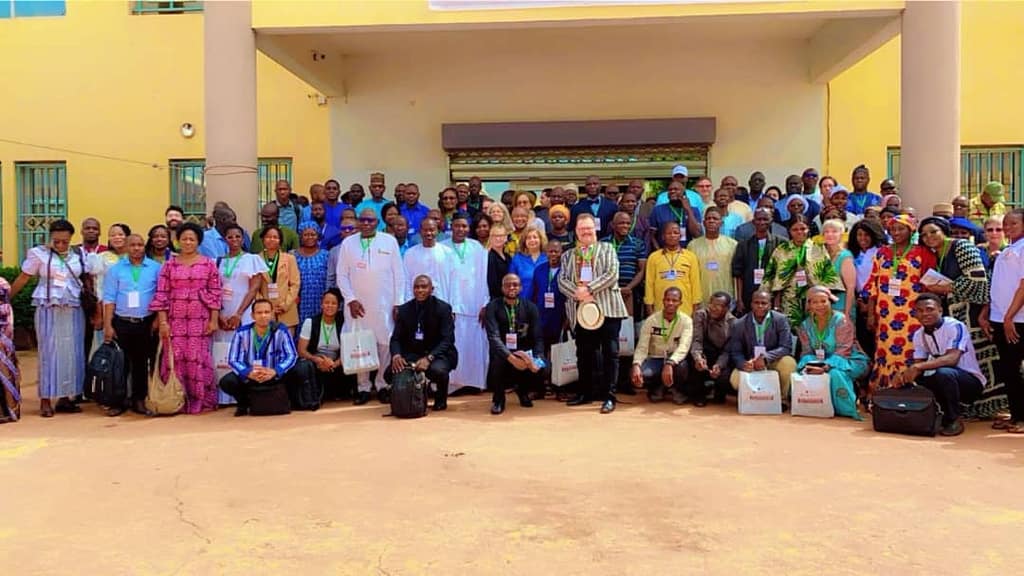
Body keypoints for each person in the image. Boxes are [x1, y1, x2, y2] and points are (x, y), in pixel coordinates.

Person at [10, 220, 93, 417]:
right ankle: (45, 399)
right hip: (48, 308)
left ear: (71, 238)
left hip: (73, 309)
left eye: (65, 241)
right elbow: (24, 277)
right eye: (57, 241)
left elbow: (88, 279)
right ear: (50, 237)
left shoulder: (79, 255)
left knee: (72, 353)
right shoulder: (39, 254)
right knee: (49, 353)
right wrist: (6, 298)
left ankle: (65, 397)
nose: (61, 245)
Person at [558, 213, 629, 414]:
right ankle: (585, 393)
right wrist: (578, 293)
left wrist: (590, 289)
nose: (586, 232)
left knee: (610, 354)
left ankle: (609, 396)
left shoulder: (607, 249)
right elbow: (562, 280)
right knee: (584, 354)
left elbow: (612, 274)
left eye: (589, 228)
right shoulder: (568, 255)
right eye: (582, 229)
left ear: (595, 228)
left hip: (607, 309)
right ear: (576, 232)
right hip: (581, 312)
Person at [149, 222, 222, 414]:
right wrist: (163, 322)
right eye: (184, 239)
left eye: (192, 239)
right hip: (175, 319)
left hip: (200, 319)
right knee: (175, 357)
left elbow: (215, 293)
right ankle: (175, 399)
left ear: (198, 242)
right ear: (178, 241)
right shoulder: (169, 265)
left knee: (197, 357)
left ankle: (201, 400)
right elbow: (162, 294)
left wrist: (214, 320)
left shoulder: (208, 264)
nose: (188, 242)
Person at [337, 208, 406, 405]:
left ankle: (383, 384)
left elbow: (399, 274)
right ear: (358, 222)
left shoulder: (389, 241)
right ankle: (363, 387)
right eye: (363, 220)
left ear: (377, 222)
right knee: (360, 343)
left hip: (384, 303)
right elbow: (341, 275)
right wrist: (350, 299)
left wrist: (398, 302)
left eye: (370, 220)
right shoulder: (348, 243)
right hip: (357, 306)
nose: (366, 224)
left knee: (385, 344)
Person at [864, 214, 936, 393]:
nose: (896, 232)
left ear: (911, 231)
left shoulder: (922, 253)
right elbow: (873, 284)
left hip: (913, 314)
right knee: (886, 351)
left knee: (912, 350)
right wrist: (871, 314)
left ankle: (910, 391)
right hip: (886, 314)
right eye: (892, 229)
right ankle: (883, 391)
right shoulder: (882, 252)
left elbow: (931, 284)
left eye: (901, 229)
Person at [896, 293, 985, 436]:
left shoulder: (955, 326)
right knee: (916, 378)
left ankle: (954, 419)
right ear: (915, 314)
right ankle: (926, 413)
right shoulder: (919, 335)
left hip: (969, 383)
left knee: (944, 373)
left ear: (940, 310)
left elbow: (952, 359)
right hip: (945, 378)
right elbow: (918, 365)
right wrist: (904, 376)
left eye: (930, 309)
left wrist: (917, 367)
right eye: (920, 311)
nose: (925, 314)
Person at [100, 234, 161, 416]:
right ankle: (118, 401)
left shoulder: (156, 268)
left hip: (145, 323)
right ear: (126, 247)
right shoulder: (116, 269)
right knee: (120, 364)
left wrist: (158, 320)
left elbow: (161, 295)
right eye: (132, 245)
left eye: (140, 245)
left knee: (141, 364)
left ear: (144, 247)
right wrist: (108, 325)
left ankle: (139, 400)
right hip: (122, 322)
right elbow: (109, 298)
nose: (136, 248)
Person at [796, 286, 869, 419]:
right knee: (803, 371)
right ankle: (814, 406)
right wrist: (810, 366)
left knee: (835, 373)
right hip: (821, 362)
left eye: (823, 301)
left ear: (830, 302)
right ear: (809, 305)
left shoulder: (842, 321)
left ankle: (845, 410)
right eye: (815, 302)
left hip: (849, 360)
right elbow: (807, 352)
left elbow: (843, 350)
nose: (820, 305)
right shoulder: (805, 326)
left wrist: (826, 366)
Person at [387, 275, 458, 411]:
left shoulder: (443, 308)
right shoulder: (404, 310)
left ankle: (440, 398)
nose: (420, 290)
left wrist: (429, 358)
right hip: (414, 353)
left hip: (438, 354)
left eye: (424, 287)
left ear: (432, 289)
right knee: (390, 373)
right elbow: (395, 339)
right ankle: (411, 396)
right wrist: (396, 355)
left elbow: (448, 340)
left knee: (438, 371)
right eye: (416, 287)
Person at [219, 299, 299, 417]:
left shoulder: (281, 330)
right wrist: (248, 372)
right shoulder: (242, 333)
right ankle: (244, 403)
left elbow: (291, 355)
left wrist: (276, 371)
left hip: (273, 376)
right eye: (259, 313)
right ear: (252, 315)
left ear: (272, 314)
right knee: (227, 382)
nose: (263, 316)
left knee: (299, 371)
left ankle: (290, 401)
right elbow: (233, 359)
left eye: (267, 312)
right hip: (251, 377)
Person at [984, 209, 1024, 433]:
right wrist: (987, 313)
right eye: (1005, 224)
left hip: (1017, 320)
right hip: (1000, 318)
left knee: (1015, 369)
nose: (1007, 228)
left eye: (1013, 224)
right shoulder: (1008, 250)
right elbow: (999, 285)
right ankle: (1016, 414)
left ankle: (1021, 418)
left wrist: (1009, 317)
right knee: (1009, 370)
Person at [764, 214, 840, 329]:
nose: (799, 232)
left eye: (803, 228)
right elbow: (773, 277)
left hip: (815, 300)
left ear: (808, 229)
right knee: (791, 330)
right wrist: (776, 303)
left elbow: (828, 273)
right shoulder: (782, 250)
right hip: (789, 300)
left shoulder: (818, 248)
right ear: (789, 231)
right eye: (795, 229)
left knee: (814, 329)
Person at [442, 213, 491, 394]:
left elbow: (483, 276)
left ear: (469, 228)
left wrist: (484, 303)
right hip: (452, 304)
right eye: (457, 225)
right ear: (451, 226)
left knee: (474, 344)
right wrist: (446, 306)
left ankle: (473, 383)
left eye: (464, 226)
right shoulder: (443, 248)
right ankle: (454, 384)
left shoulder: (477, 247)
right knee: (455, 344)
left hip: (474, 303)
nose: (460, 229)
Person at [485, 273, 544, 414]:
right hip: (503, 351)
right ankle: (498, 399)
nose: (511, 288)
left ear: (521, 288)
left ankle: (523, 391)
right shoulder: (492, 307)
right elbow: (493, 338)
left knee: (544, 367)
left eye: (515, 285)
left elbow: (538, 337)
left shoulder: (531, 307)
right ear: (502, 288)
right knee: (498, 359)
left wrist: (537, 360)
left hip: (523, 351)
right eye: (507, 285)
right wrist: (511, 358)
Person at [727, 290, 797, 406]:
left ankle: (781, 400)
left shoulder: (780, 320)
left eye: (764, 303)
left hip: (773, 360)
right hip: (751, 362)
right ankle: (753, 398)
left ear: (770, 305)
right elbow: (736, 351)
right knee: (735, 379)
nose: (760, 306)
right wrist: (743, 364)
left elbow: (786, 347)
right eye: (756, 302)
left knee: (789, 363)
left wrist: (765, 358)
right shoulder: (739, 324)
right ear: (751, 304)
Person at [631, 287, 693, 404]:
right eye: (667, 299)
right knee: (643, 373)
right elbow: (642, 346)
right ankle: (658, 388)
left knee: (683, 367)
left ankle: (676, 389)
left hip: (675, 360)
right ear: (663, 301)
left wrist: (670, 363)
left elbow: (684, 347)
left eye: (674, 300)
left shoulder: (686, 321)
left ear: (680, 303)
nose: (670, 303)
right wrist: (636, 364)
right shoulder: (651, 320)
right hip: (656, 358)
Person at [296, 288, 348, 401]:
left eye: (333, 303)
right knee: (304, 367)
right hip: (316, 362)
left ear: (339, 306)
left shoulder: (344, 324)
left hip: (337, 364)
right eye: (326, 302)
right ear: (321, 305)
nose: (329, 306)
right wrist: (317, 360)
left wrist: (334, 364)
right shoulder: (310, 322)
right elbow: (301, 351)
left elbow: (349, 350)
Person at [732, 207, 785, 316]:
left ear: (771, 221)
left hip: (773, 294)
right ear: (753, 221)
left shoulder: (781, 243)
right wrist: (739, 299)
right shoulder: (743, 245)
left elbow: (782, 274)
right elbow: (738, 274)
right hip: (749, 293)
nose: (762, 222)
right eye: (759, 219)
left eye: (765, 219)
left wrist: (777, 301)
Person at [847, 219, 886, 359]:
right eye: (859, 235)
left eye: (867, 235)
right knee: (861, 337)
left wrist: (869, 304)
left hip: (877, 299)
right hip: (857, 300)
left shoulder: (881, 252)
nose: (863, 238)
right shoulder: (851, 253)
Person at [687, 291, 735, 406]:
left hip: (721, 355)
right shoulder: (700, 315)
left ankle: (719, 392)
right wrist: (698, 357)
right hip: (704, 352)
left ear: (727, 308)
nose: (713, 308)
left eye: (718, 306)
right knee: (692, 361)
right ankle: (699, 394)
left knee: (725, 375)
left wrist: (719, 365)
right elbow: (697, 340)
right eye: (712, 304)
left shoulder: (733, 323)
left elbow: (727, 350)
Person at [644, 222, 701, 317]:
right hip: (660, 310)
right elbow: (649, 285)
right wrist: (650, 310)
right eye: (669, 233)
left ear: (680, 236)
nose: (672, 235)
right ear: (663, 236)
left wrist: (695, 310)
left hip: (685, 310)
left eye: (675, 233)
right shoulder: (653, 257)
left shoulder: (691, 257)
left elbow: (696, 285)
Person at [255, 225, 301, 334]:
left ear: (280, 240)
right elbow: (254, 288)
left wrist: (285, 305)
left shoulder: (289, 259)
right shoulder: (256, 259)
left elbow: (295, 284)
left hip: (286, 310)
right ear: (263, 239)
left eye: (275, 237)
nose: (271, 239)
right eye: (268, 237)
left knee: (286, 342)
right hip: (265, 312)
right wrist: (265, 307)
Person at [687, 207, 737, 304]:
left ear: (721, 223)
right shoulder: (693, 245)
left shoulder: (732, 245)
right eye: (708, 218)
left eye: (715, 219)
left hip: (726, 295)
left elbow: (736, 274)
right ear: (704, 223)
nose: (711, 221)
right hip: (701, 297)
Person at [602, 211, 647, 318]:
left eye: (628, 223)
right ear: (613, 225)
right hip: (608, 291)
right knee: (610, 322)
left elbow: (641, 270)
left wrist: (628, 288)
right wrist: (613, 288)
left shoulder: (638, 244)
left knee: (627, 324)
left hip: (630, 291)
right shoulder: (603, 243)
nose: (625, 226)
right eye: (621, 223)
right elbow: (600, 268)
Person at [403, 218, 456, 303]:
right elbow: (406, 280)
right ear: (420, 232)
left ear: (437, 231)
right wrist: (408, 302)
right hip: (417, 303)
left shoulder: (448, 253)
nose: (428, 233)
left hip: (442, 300)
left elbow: (453, 282)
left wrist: (452, 304)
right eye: (425, 230)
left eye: (431, 230)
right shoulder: (410, 254)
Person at [290, 221, 329, 327]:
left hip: (319, 297)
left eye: (313, 234)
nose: (309, 237)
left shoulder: (326, 255)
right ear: (300, 236)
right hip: (299, 299)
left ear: (318, 236)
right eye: (306, 234)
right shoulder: (292, 255)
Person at [648, 180, 701, 248]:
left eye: (676, 189)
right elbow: (651, 236)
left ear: (684, 193)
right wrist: (658, 250)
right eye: (670, 190)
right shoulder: (658, 210)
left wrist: (688, 210)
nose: (672, 191)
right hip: (664, 251)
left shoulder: (694, 210)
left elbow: (696, 234)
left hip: (687, 251)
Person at [821, 219, 857, 321]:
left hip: (840, 307)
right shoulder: (820, 255)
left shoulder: (845, 256)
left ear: (841, 234)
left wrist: (847, 314)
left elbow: (851, 288)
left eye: (834, 231)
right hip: (822, 308)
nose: (830, 234)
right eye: (826, 232)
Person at [509, 226, 547, 303]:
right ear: (524, 241)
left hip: (544, 303)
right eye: (528, 238)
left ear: (541, 240)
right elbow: (511, 283)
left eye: (535, 237)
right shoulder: (517, 259)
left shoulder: (547, 258)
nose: (532, 240)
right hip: (523, 303)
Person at [0, 278, 18, 423]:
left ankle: (7, 410)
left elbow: (6, 313)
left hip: (2, 334)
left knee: (3, 370)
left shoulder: (2, 284)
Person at [486, 223, 511, 300]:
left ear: (506, 237)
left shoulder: (508, 257)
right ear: (490, 238)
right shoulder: (488, 257)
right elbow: (492, 284)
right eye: (495, 236)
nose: (498, 239)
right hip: (495, 299)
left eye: (501, 236)